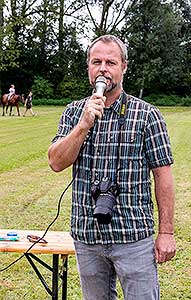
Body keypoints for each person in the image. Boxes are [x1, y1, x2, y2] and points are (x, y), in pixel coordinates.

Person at [48, 35, 176, 300]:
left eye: (110, 62)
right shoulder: (74, 113)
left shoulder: (147, 115)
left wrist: (166, 232)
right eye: (96, 62)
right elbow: (56, 162)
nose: (103, 68)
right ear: (88, 68)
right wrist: (83, 125)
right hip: (87, 236)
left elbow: (163, 175)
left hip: (133, 236)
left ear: (124, 67)